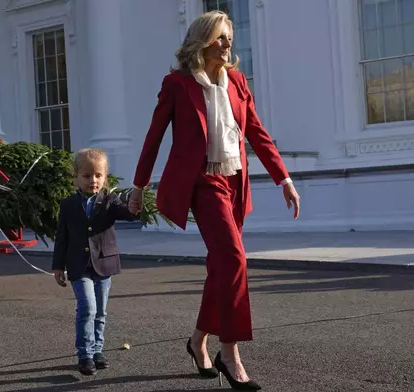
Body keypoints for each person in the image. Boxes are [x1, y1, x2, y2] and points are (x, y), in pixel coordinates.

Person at [129, 10, 300, 391]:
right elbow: (154, 137)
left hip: (235, 181)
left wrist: (283, 179)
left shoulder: (237, 81)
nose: (228, 45)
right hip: (203, 183)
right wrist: (139, 186)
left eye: (229, 39)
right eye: (221, 38)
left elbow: (256, 131)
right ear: (202, 40)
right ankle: (230, 352)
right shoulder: (176, 84)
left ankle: (196, 340)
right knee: (234, 259)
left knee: (221, 266)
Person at [52, 148, 139, 376]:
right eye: (87, 176)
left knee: (100, 311)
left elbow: (128, 214)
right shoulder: (68, 204)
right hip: (79, 265)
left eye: (98, 176)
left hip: (104, 264)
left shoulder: (111, 201)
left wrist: (134, 204)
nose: (93, 180)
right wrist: (58, 266)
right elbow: (62, 237)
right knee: (87, 308)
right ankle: (85, 354)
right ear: (76, 178)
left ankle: (98, 350)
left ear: (105, 178)